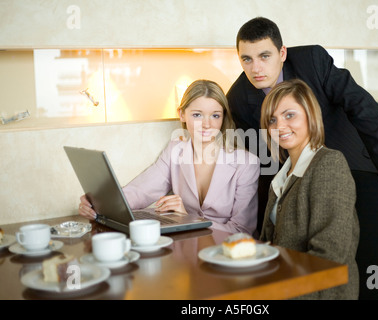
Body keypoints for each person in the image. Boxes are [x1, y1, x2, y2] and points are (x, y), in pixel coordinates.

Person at [226, 16, 378, 232]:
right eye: (247, 59)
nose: (256, 68)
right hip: (310, 187)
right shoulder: (238, 99)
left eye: (264, 56)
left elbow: (360, 104)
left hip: (364, 162)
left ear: (282, 53)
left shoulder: (311, 60)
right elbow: (266, 162)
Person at [79, 79, 260, 235]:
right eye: (197, 115)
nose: (207, 124)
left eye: (215, 115)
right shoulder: (176, 150)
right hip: (187, 249)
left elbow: (242, 230)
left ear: (223, 117)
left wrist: (189, 219)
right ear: (182, 114)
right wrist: (99, 202)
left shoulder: (246, 163)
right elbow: (141, 191)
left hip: (229, 253)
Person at [259, 78, 359, 299]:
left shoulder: (329, 164)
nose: (279, 126)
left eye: (289, 115)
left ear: (310, 115)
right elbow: (268, 245)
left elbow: (329, 257)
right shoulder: (281, 177)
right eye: (272, 120)